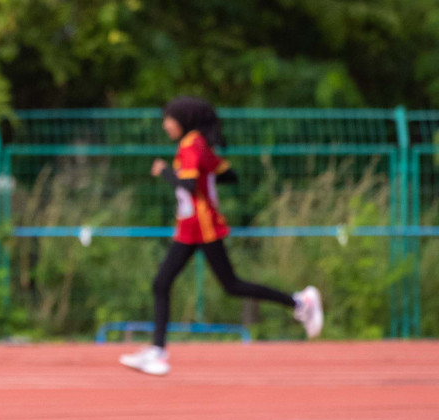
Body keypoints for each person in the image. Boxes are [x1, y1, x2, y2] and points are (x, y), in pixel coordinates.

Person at [120, 96, 322, 377]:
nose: (165, 124)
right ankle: (157, 351)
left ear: (183, 120)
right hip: (192, 228)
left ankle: (301, 302)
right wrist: (207, 175)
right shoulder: (199, 145)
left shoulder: (191, 144)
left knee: (212, 284)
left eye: (168, 119)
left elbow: (190, 185)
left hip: (202, 228)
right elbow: (229, 175)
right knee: (174, 283)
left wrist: (165, 171)